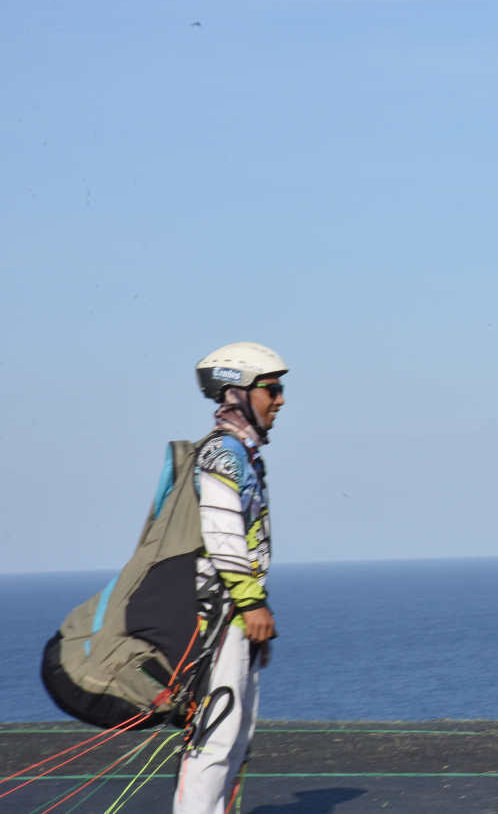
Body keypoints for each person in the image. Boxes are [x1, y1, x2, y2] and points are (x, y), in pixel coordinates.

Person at [175, 342, 288, 814]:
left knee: (235, 737)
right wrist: (251, 604)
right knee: (214, 741)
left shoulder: (243, 454)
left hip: (234, 619)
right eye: (272, 389)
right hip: (218, 619)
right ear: (238, 392)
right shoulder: (223, 453)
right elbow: (223, 537)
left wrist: (254, 614)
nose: (280, 400)